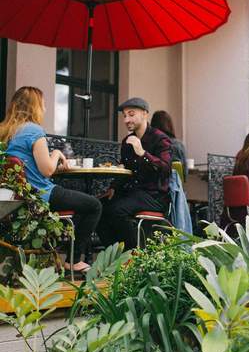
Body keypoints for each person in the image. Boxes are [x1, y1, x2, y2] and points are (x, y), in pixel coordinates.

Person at [0, 86, 101, 273]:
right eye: (44, 104)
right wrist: (56, 153)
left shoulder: (6, 131)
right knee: (93, 205)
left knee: (80, 204)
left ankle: (62, 249)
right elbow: (47, 170)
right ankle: (73, 259)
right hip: (41, 195)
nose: (45, 109)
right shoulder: (33, 131)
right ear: (36, 106)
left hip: (17, 196)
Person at [97, 98, 172, 249]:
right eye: (124, 116)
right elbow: (127, 170)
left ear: (145, 114)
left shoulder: (160, 138)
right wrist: (114, 187)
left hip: (154, 195)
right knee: (97, 207)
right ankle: (113, 254)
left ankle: (133, 255)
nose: (126, 119)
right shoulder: (127, 141)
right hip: (132, 193)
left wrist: (142, 153)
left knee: (117, 210)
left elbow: (165, 169)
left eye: (131, 114)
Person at [151, 110, 187, 180]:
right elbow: (184, 174)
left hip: (154, 188)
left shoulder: (150, 144)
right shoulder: (179, 145)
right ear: (170, 125)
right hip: (175, 187)